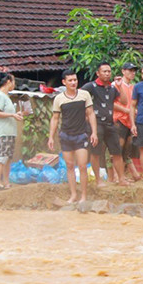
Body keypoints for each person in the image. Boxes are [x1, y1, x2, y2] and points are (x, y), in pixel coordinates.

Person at [48, 69, 98, 203]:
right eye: (70, 80)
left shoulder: (84, 95)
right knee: (70, 166)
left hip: (81, 135)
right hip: (65, 135)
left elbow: (91, 114)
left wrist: (94, 132)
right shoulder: (59, 98)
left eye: (75, 80)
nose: (73, 82)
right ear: (64, 82)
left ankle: (84, 196)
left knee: (82, 166)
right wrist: (51, 137)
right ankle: (73, 195)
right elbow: (55, 118)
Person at [81, 62, 122, 189]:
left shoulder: (112, 88)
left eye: (109, 71)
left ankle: (122, 179)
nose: (107, 73)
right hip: (95, 125)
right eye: (104, 71)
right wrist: (86, 116)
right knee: (95, 152)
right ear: (98, 73)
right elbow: (78, 99)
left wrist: (119, 86)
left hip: (110, 124)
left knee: (117, 152)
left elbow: (124, 101)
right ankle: (98, 180)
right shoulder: (90, 86)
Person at [0, 72, 23, 190]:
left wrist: (15, 114)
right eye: (14, 81)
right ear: (8, 82)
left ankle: (6, 182)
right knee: (2, 157)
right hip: (3, 132)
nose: (14, 84)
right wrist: (12, 115)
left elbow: (7, 113)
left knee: (8, 158)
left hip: (10, 131)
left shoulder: (6, 96)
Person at [112, 63, 141, 183]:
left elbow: (133, 104)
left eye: (134, 71)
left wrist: (135, 111)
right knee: (117, 149)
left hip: (130, 121)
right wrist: (125, 110)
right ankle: (115, 176)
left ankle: (122, 175)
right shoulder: (116, 85)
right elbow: (110, 103)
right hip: (119, 119)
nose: (132, 73)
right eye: (130, 70)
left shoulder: (133, 87)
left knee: (126, 149)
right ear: (123, 71)